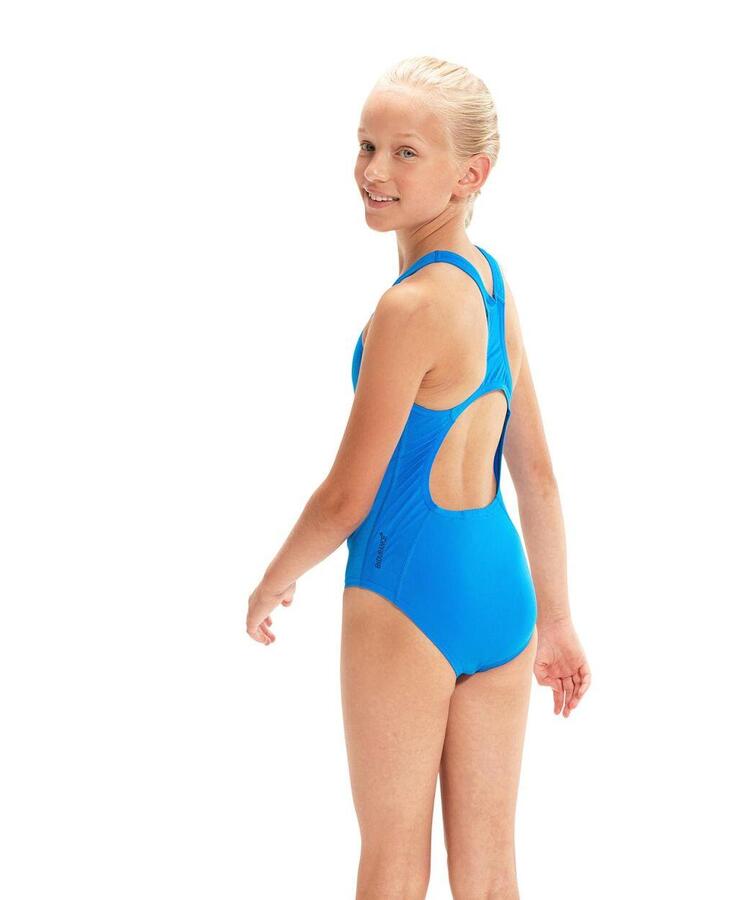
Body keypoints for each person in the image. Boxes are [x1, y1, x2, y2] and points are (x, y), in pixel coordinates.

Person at [246, 55, 590, 898]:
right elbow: (537, 474)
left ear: (471, 175)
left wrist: (275, 578)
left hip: (405, 596)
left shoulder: (410, 308)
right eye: (367, 145)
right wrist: (555, 620)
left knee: (393, 864)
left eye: (406, 152)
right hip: (501, 596)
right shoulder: (490, 284)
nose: (373, 170)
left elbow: (346, 496)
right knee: (491, 871)